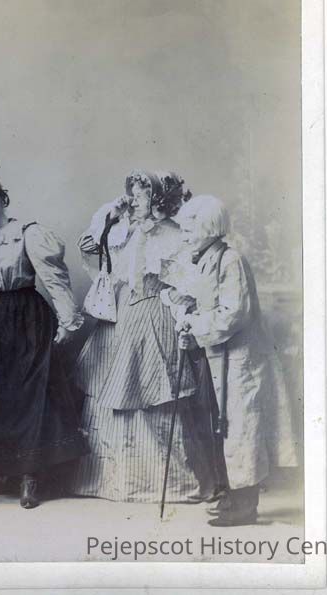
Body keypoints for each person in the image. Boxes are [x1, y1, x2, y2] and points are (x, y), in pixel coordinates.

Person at [71, 170, 215, 503]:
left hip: (154, 312)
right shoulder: (121, 229)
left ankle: (167, 483)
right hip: (119, 316)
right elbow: (92, 251)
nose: (134, 200)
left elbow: (187, 281)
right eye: (132, 193)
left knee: (151, 390)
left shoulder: (174, 233)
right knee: (109, 390)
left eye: (142, 194)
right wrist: (109, 219)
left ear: (159, 199)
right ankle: (111, 481)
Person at [0, 176, 88, 509]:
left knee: (31, 395)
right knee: (1, 396)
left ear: (1, 197)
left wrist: (67, 320)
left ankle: (31, 476)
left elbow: (54, 279)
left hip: (29, 317)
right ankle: (8, 469)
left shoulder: (29, 233)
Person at [167, 195, 298, 526]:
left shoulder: (230, 260)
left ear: (209, 228)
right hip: (217, 355)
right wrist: (188, 323)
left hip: (240, 358)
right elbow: (202, 305)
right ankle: (229, 492)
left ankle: (244, 505)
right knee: (221, 426)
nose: (184, 236)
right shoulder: (204, 260)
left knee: (241, 427)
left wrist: (193, 323)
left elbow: (232, 314)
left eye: (189, 230)